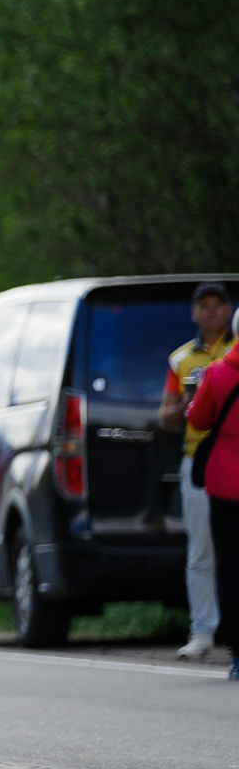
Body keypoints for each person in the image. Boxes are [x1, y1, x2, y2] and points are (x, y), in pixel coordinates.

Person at [161, 283, 233, 660]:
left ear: (228, 309)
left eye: (218, 305)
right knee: (201, 548)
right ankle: (203, 629)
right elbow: (166, 415)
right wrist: (189, 402)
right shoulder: (181, 360)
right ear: (193, 312)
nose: (211, 312)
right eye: (204, 306)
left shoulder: (234, 352)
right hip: (199, 459)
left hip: (233, 457)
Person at [179, 341, 239, 680]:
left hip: (227, 484)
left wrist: (191, 404)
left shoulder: (216, 373)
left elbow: (199, 421)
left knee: (230, 568)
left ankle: (237, 654)